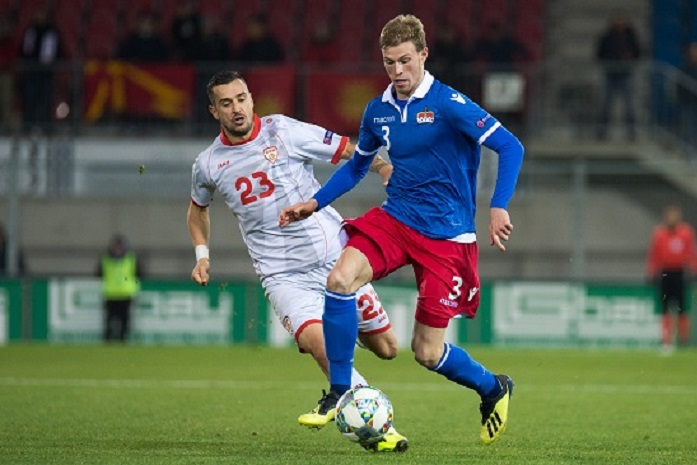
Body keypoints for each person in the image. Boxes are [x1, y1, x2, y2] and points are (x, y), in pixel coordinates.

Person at [280, 14, 524, 446]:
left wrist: (498, 205)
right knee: (340, 280)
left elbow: (510, 145)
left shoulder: (448, 104)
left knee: (426, 353)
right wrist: (315, 202)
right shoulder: (378, 111)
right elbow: (357, 166)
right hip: (397, 218)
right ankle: (340, 390)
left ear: (424, 54)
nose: (397, 71)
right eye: (389, 62)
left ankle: (493, 387)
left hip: (447, 236)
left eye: (405, 60)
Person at [187, 70, 408, 452]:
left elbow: (347, 149)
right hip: (282, 273)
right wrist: (202, 255)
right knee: (317, 342)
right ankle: (374, 423)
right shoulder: (208, 164)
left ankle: (343, 340)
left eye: (241, 99)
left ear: (251, 98)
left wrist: (383, 166)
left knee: (387, 348)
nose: (236, 108)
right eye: (226, 103)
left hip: (335, 257)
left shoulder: (283, 131)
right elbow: (197, 210)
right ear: (214, 111)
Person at [646, 204, 697, 352]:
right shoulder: (659, 234)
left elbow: (691, 252)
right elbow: (654, 254)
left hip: (680, 272)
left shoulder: (686, 233)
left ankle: (683, 341)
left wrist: (695, 269)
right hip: (665, 273)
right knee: (665, 308)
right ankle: (666, 340)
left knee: (682, 308)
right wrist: (651, 271)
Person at [595, 13, 641, 141]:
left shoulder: (631, 37)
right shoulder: (607, 37)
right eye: (617, 22)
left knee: (629, 105)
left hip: (626, 74)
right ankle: (602, 131)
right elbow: (599, 53)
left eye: (622, 22)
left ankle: (631, 132)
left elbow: (638, 52)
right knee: (606, 104)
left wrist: (630, 59)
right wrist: (610, 61)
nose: (620, 24)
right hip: (610, 74)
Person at [18, 7, 64, 131]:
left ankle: (47, 126)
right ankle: (28, 125)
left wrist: (52, 64)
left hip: (47, 73)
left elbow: (59, 51)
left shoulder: (53, 32)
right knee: (30, 99)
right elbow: (25, 49)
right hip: (32, 71)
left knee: (46, 99)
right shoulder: (31, 31)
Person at [97, 234, 143, 342]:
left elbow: (139, 274)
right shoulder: (106, 259)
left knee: (125, 319)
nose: (117, 249)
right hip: (110, 294)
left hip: (125, 294)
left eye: (119, 246)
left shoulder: (131, 259)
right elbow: (99, 273)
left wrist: (133, 285)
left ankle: (123, 340)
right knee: (109, 319)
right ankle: (108, 340)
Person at [678, 42, 697, 155]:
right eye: (693, 51)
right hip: (687, 103)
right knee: (687, 127)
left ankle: (696, 150)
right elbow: (680, 85)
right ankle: (687, 151)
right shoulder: (685, 68)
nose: (695, 53)